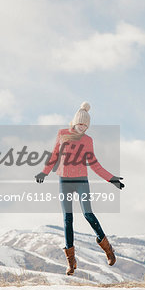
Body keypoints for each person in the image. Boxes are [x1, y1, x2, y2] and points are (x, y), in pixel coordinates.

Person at [35, 102, 125, 275]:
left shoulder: (87, 140)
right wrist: (44, 172)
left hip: (81, 180)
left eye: (86, 125)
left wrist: (111, 179)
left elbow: (94, 164)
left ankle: (108, 250)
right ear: (74, 122)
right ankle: (71, 261)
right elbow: (54, 155)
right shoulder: (62, 134)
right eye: (80, 124)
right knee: (67, 219)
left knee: (88, 214)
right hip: (64, 182)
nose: (83, 127)